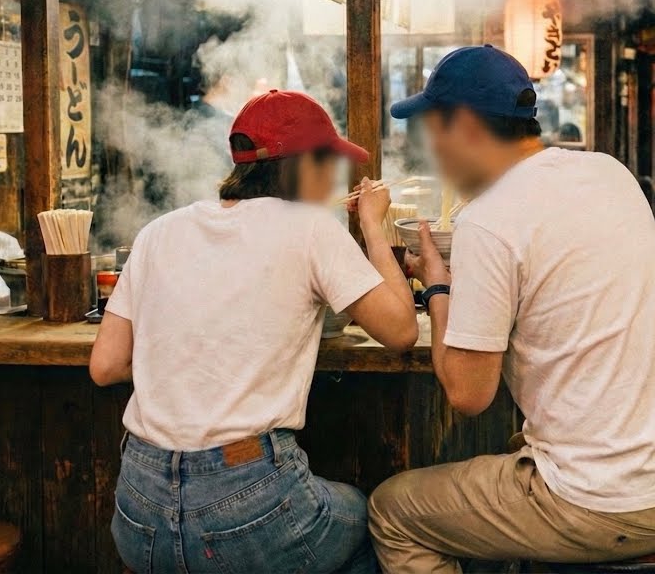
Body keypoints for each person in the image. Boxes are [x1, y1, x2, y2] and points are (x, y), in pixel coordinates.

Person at [367, 46, 655, 572]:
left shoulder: (487, 220)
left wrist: (439, 288)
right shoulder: (610, 173)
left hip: (608, 505)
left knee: (394, 509)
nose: (432, 153)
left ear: (465, 125)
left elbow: (469, 394)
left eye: (433, 133)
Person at [89, 89, 419, 574]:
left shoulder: (159, 231)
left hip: (139, 513)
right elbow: (401, 329)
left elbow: (106, 366)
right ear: (304, 163)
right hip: (250, 511)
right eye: (331, 164)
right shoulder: (311, 229)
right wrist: (373, 223)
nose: (334, 181)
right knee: (373, 527)